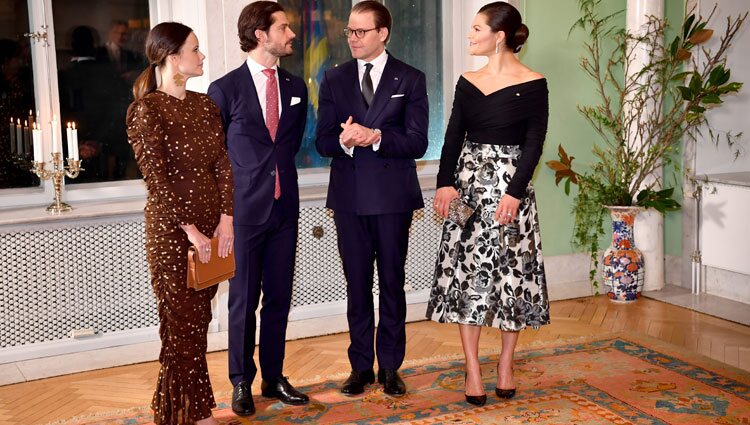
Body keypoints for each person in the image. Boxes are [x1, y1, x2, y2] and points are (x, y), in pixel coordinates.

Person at [426, 1, 550, 407]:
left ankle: (506, 365)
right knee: (466, 275)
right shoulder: (467, 80)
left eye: (477, 29)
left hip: (513, 192)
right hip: (468, 190)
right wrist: (445, 184)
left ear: (499, 36)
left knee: (512, 276)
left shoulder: (534, 82)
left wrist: (515, 192)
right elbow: (452, 136)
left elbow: (534, 142)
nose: (470, 36)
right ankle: (473, 369)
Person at [315, 0, 428, 397]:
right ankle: (361, 366)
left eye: (361, 31)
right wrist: (345, 141)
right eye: (349, 31)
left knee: (393, 283)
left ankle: (391, 367)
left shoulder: (410, 78)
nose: (352, 38)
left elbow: (418, 142)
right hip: (349, 199)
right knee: (357, 285)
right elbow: (322, 140)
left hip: (393, 198)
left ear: (383, 33)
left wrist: (376, 137)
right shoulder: (334, 78)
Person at [126, 22, 233, 425]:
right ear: (173, 57)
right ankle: (188, 414)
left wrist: (226, 220)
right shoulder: (146, 109)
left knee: (197, 324)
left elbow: (222, 164)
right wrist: (191, 231)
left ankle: (184, 410)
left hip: (213, 232)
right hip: (174, 235)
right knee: (181, 326)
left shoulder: (205, 105)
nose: (202, 56)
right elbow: (157, 179)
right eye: (195, 49)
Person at [207, 1, 309, 416]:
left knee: (280, 298)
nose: (291, 35)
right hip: (243, 212)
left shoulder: (298, 87)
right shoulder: (224, 89)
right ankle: (240, 382)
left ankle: (273, 376)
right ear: (260, 34)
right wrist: (221, 214)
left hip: (286, 209)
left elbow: (290, 146)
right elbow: (214, 158)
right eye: (283, 27)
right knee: (243, 300)